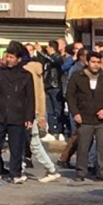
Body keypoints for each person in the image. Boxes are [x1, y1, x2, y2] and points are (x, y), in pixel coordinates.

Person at [67, 51, 103, 182]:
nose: (96, 65)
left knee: (102, 146)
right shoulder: (77, 76)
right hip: (84, 117)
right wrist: (75, 113)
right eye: (93, 62)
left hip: (101, 119)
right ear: (87, 62)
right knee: (83, 146)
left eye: (98, 62)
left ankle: (101, 172)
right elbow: (70, 95)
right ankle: (81, 172)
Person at [0, 42, 34, 183]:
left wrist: (29, 117)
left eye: (11, 57)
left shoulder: (26, 76)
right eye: (7, 56)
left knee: (16, 148)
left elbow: (30, 98)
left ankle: (15, 173)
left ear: (18, 59)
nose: (8, 59)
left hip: (18, 115)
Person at [22, 46, 62, 183]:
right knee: (25, 141)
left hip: (27, 112)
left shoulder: (26, 71)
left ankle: (51, 168)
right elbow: (40, 95)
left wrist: (39, 115)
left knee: (33, 142)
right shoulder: (36, 71)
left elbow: (33, 95)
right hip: (33, 112)